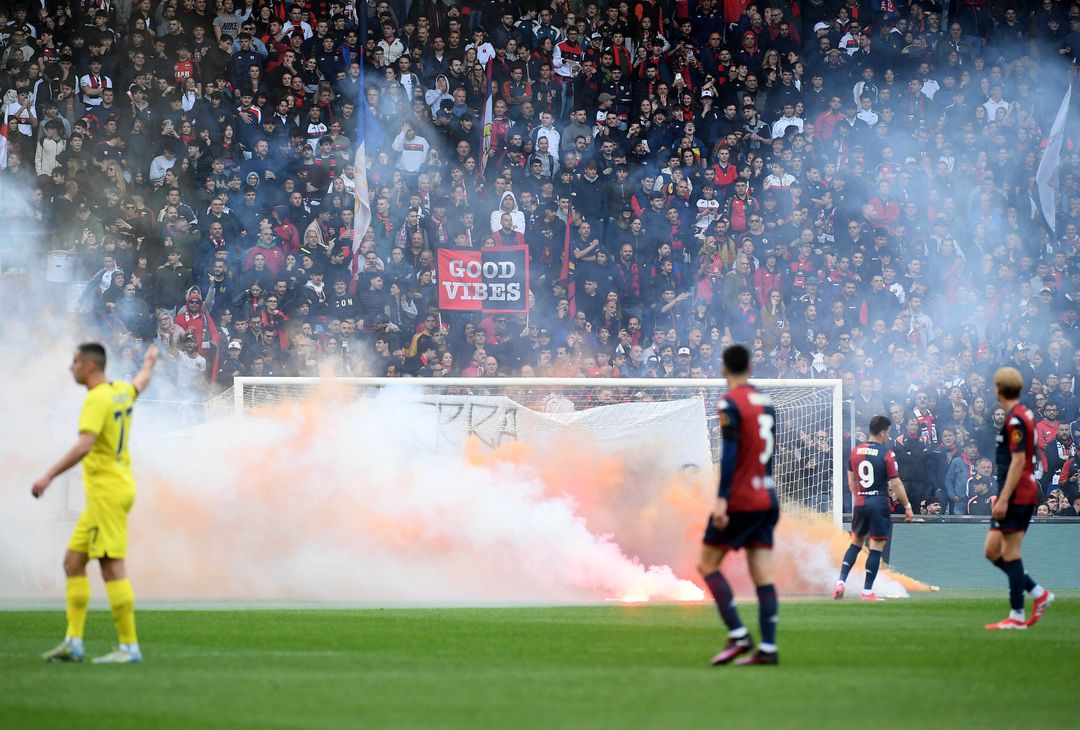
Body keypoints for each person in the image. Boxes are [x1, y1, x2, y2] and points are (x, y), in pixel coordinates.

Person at [33, 343, 159, 663]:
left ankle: (129, 647)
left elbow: (85, 445)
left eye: (75, 361)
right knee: (73, 562)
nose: (70, 367)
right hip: (114, 489)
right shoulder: (119, 391)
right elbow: (140, 383)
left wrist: (48, 476)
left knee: (110, 566)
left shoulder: (96, 399)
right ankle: (73, 642)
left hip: (107, 491)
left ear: (89, 366)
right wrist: (149, 363)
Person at [698, 344, 780, 666]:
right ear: (751, 366)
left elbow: (730, 454)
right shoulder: (767, 403)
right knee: (762, 573)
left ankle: (738, 633)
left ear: (723, 368)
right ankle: (769, 648)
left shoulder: (729, 402)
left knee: (707, 564)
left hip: (741, 499)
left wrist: (722, 499)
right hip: (767, 497)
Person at [983, 367, 1053, 630]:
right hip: (1019, 492)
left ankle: (1017, 615)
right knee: (992, 551)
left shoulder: (1015, 420)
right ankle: (1039, 593)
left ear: (998, 388)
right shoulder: (1023, 415)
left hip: (1017, 494)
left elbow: (1018, 462)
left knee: (1010, 554)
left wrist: (1003, 498)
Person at [834, 415, 914, 601]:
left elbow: (851, 482)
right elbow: (896, 483)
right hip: (878, 503)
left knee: (855, 543)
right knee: (876, 547)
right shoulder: (887, 453)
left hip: (860, 502)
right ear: (884, 432)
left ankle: (841, 582)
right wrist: (907, 506)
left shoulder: (855, 451)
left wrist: (860, 499)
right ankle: (867, 592)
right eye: (888, 433)